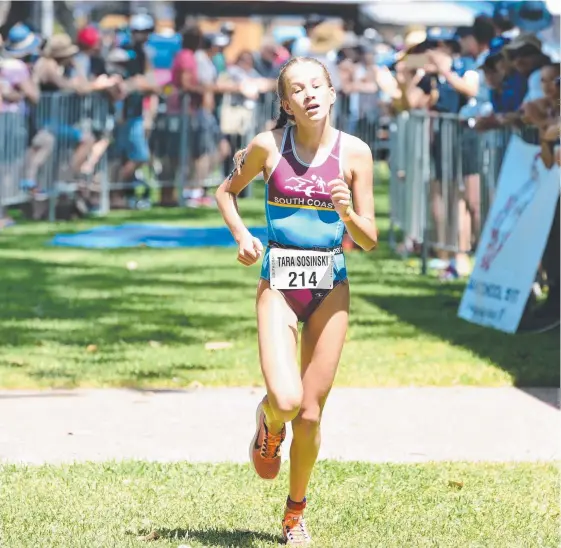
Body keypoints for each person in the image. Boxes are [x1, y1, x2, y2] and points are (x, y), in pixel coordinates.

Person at [215, 56, 377, 545]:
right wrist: (242, 236)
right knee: (286, 402)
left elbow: (369, 239)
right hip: (279, 282)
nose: (309, 95)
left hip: (331, 285)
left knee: (310, 413)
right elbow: (226, 193)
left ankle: (294, 513)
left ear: (331, 93)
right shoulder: (268, 147)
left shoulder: (356, 154)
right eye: (297, 90)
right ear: (285, 104)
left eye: (317, 86)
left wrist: (347, 214)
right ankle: (267, 420)